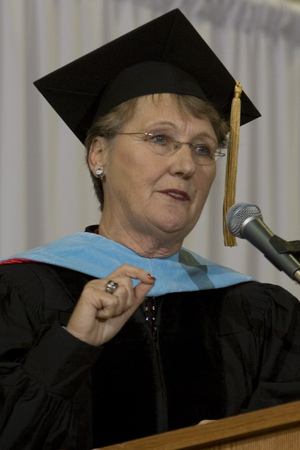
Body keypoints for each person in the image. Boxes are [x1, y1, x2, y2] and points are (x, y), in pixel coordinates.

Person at [0, 9, 299, 450]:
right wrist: (71, 345)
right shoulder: (21, 292)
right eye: (160, 139)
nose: (185, 165)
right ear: (98, 154)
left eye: (202, 148)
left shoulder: (260, 311)